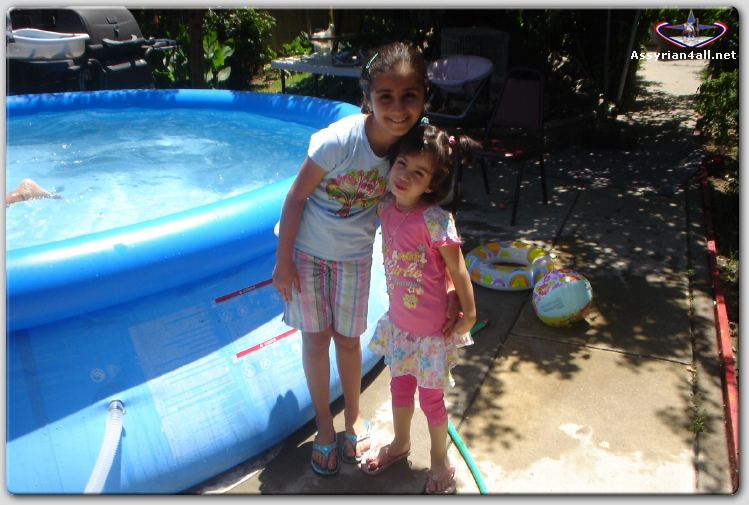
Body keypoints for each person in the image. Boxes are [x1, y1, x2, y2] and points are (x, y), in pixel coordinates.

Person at [271, 41, 461, 476]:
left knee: (348, 339)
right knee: (316, 339)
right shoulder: (338, 140)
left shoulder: (411, 147)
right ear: (368, 97)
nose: (397, 108)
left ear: (424, 98)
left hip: (354, 257)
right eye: (385, 96)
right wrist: (283, 262)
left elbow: (432, 222)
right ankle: (324, 425)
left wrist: (451, 286)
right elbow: (295, 197)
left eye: (409, 96)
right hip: (307, 254)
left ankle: (353, 418)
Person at [360, 123, 479, 494]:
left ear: (431, 184)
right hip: (400, 326)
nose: (405, 176)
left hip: (430, 333)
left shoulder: (435, 220)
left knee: (431, 400)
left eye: (419, 173)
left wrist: (470, 314)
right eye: (402, 164)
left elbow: (458, 270)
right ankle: (400, 443)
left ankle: (440, 458)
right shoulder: (385, 207)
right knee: (399, 388)